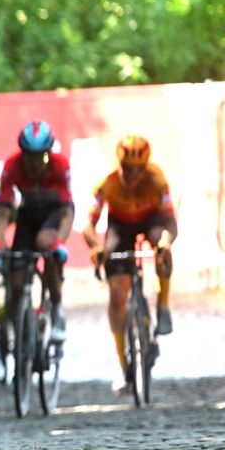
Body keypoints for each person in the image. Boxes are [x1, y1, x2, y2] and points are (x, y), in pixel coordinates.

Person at [82, 134, 177, 394]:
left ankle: (163, 305)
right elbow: (89, 224)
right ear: (119, 165)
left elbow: (170, 221)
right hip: (120, 226)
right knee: (117, 293)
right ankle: (122, 363)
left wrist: (166, 242)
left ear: (146, 167)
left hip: (151, 221)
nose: (133, 175)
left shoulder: (157, 180)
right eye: (127, 168)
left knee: (161, 246)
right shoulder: (107, 184)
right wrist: (96, 247)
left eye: (138, 169)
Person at [0, 120, 74, 344]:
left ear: (49, 153)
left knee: (46, 243)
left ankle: (57, 309)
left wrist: (60, 242)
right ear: (22, 154)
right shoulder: (12, 165)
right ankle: (23, 334)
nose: (35, 164)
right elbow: (3, 212)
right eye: (29, 157)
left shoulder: (60, 165)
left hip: (54, 213)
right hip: (28, 215)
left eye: (41, 157)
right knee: (16, 281)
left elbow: (67, 211)